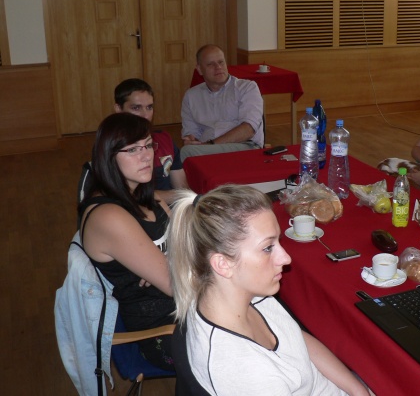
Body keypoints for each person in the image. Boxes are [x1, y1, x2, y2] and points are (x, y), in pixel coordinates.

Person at [166, 185, 370, 396]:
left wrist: (358, 390)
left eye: (277, 242)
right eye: (267, 248)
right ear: (223, 264)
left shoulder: (238, 292)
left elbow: (296, 339)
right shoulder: (247, 373)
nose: (286, 258)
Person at [78, 112, 176, 370]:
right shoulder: (109, 217)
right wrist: (169, 264)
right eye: (132, 149)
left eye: (148, 145)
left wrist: (168, 261)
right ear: (109, 157)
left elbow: (182, 250)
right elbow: (176, 284)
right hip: (161, 330)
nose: (146, 156)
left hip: (186, 309)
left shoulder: (145, 196)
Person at [78, 78, 188, 206]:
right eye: (136, 108)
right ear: (118, 109)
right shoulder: (112, 148)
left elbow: (182, 187)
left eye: (149, 107)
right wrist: (178, 196)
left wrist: (187, 199)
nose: (145, 115)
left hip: (169, 210)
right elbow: (124, 196)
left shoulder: (164, 139)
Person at [180, 44, 264, 161]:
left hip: (244, 146)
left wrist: (211, 144)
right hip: (206, 149)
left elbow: (248, 129)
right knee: (181, 150)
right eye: (211, 64)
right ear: (199, 69)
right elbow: (191, 132)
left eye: (221, 62)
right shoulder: (191, 96)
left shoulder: (246, 88)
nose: (218, 67)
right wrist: (191, 139)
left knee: (187, 153)